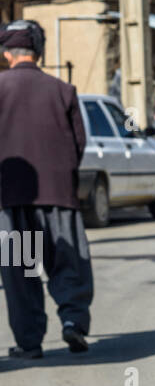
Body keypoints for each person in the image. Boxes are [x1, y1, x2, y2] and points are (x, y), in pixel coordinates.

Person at [0, 19, 92, 359]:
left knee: (22, 272)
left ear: (7, 52)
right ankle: (73, 322)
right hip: (59, 196)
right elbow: (79, 142)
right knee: (69, 262)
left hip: (14, 199)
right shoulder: (63, 90)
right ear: (37, 52)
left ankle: (29, 342)